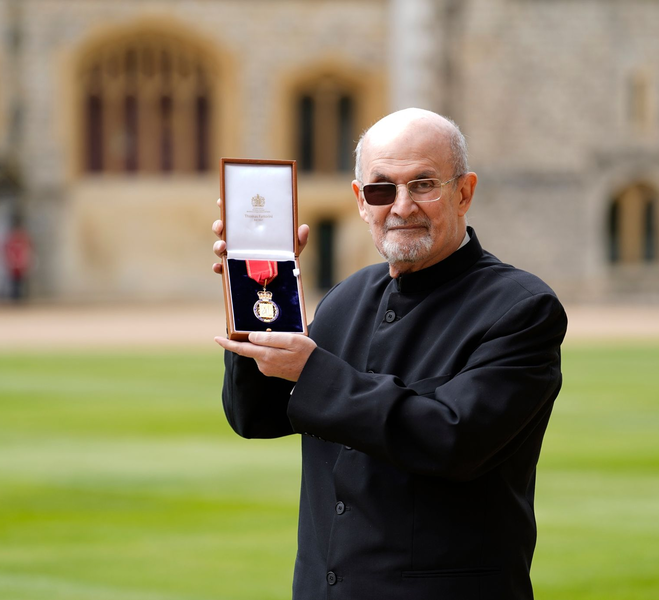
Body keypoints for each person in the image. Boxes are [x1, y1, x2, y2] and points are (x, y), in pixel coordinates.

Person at [212, 108, 567, 600]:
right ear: (361, 201)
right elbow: (257, 415)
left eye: (423, 184)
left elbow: (453, 438)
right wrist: (256, 297)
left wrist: (315, 371)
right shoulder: (346, 297)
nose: (401, 206)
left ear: (464, 192)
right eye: (382, 189)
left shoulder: (521, 308)